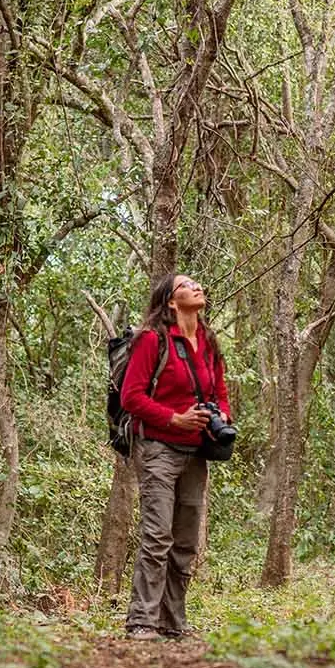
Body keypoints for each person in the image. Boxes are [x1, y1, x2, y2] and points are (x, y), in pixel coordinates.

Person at [117, 272, 230, 641]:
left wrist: (222, 415)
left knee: (185, 540)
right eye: (186, 285)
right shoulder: (152, 339)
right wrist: (174, 418)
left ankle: (172, 620)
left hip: (197, 451)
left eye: (199, 283)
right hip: (158, 449)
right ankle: (142, 620)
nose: (197, 286)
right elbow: (131, 397)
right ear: (170, 301)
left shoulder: (208, 342)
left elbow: (221, 391)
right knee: (157, 534)